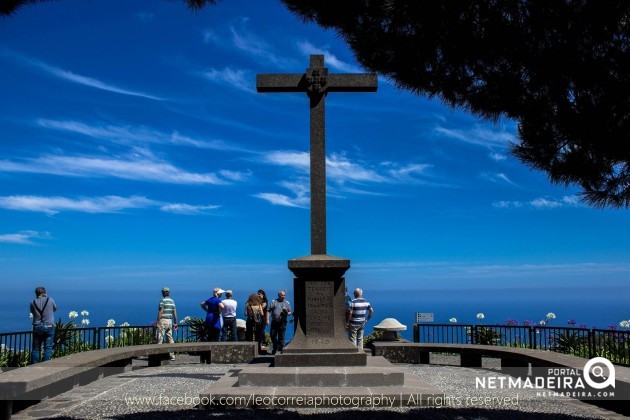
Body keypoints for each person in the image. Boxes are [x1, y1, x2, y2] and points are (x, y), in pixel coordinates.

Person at [30, 286, 57, 363]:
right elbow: (55, 308)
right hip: (49, 326)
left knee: (36, 349)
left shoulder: (33, 302)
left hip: (37, 326)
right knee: (47, 348)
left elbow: (32, 312)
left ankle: (34, 366)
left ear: (36, 294)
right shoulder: (50, 299)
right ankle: (45, 366)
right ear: (45, 292)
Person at [157, 287, 178, 360]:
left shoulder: (162, 300)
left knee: (160, 337)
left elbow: (161, 311)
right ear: (169, 293)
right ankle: (172, 355)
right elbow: (174, 312)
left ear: (163, 293)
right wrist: (175, 323)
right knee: (170, 338)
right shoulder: (172, 301)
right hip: (170, 321)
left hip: (163, 320)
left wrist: (158, 321)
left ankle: (158, 355)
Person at [268, 290, 292, 355]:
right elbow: (268, 310)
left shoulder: (286, 303)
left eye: (284, 295)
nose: (283, 296)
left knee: (281, 336)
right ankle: (275, 346)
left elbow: (290, 312)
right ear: (279, 295)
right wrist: (267, 319)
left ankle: (281, 350)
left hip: (282, 322)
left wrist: (287, 313)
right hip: (274, 321)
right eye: (282, 295)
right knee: (272, 335)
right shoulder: (274, 302)